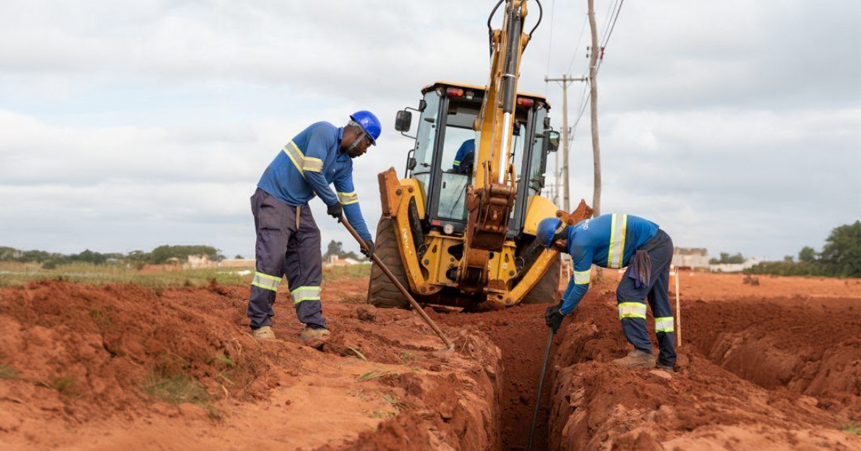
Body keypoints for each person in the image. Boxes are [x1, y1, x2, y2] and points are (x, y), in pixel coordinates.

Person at [247, 111, 381, 343]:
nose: (365, 150)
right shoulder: (324, 131)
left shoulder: (344, 164)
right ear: (358, 133)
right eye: (367, 143)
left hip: (298, 204)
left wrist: (366, 239)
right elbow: (311, 171)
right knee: (273, 260)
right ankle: (260, 323)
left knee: (309, 251)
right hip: (274, 197)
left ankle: (313, 324)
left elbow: (350, 202)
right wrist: (331, 202)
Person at [536, 214, 676, 372]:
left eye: (554, 248)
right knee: (659, 301)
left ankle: (643, 352)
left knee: (628, 293)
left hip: (651, 246)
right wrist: (561, 305)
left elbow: (582, 286)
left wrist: (562, 313)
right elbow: (576, 278)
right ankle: (666, 360)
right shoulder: (579, 233)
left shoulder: (579, 244)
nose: (557, 251)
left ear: (559, 242)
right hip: (660, 243)